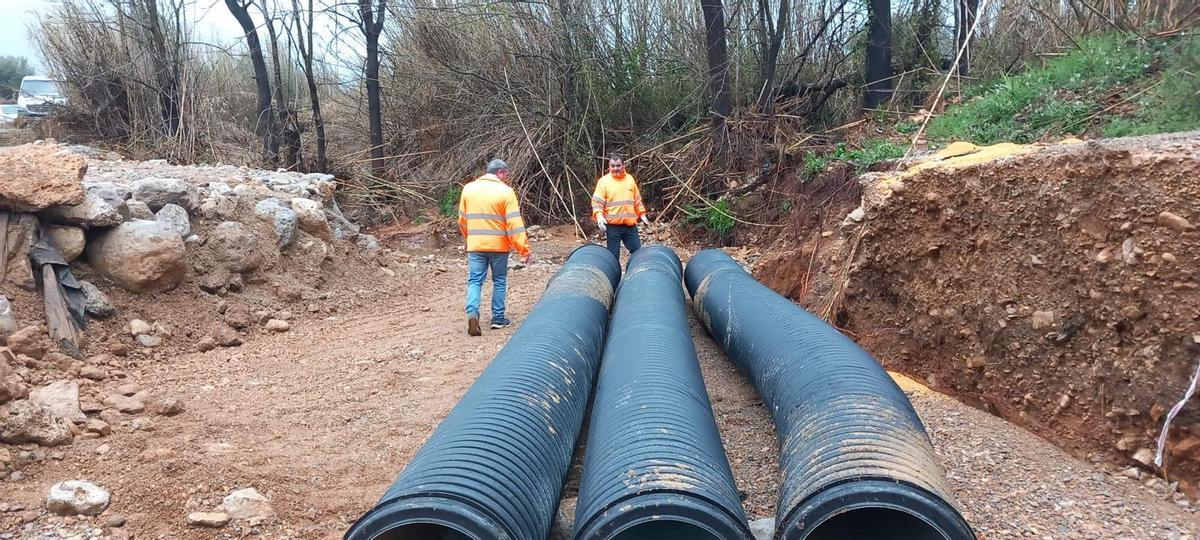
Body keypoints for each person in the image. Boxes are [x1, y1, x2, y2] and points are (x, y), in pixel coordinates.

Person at [458, 159, 533, 336]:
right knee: (499, 280)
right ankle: (498, 319)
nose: (506, 178)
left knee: (475, 281)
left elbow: (462, 219)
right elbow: (514, 224)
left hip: (475, 245)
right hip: (499, 247)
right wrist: (524, 250)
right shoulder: (506, 192)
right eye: (506, 175)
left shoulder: (468, 189)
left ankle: (472, 313)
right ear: (500, 173)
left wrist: (470, 238)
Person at [591, 154, 649, 260]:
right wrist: (599, 217)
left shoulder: (630, 180)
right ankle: (614, 275)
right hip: (613, 226)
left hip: (630, 226)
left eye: (618, 166)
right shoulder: (604, 182)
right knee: (613, 256)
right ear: (609, 166)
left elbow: (637, 200)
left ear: (623, 166)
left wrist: (642, 214)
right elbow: (597, 202)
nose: (615, 168)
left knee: (638, 253)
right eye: (612, 166)